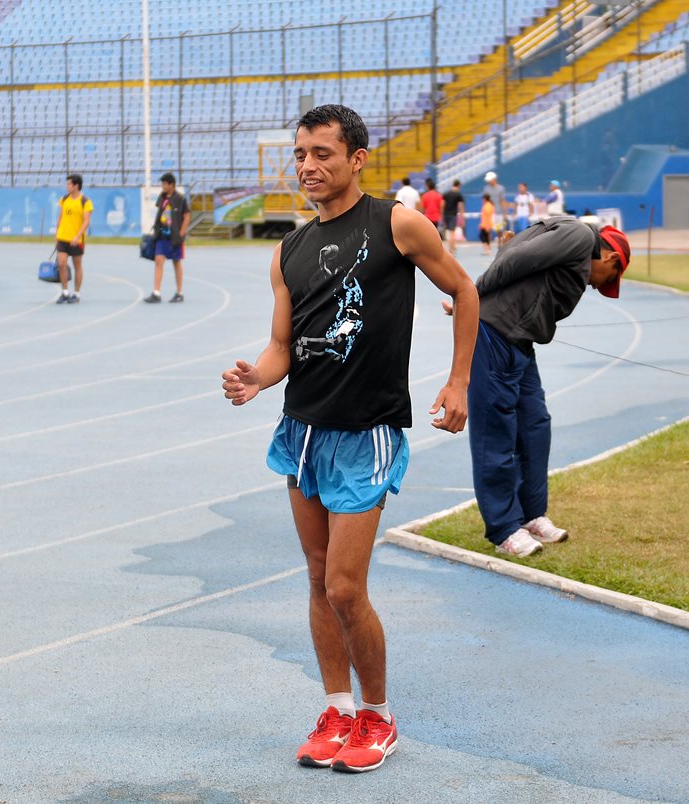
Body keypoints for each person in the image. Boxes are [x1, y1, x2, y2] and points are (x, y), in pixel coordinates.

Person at [220, 104, 478, 774]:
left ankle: (379, 717)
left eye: (322, 154)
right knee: (314, 576)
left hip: (367, 432)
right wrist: (256, 378)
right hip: (303, 431)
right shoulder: (289, 252)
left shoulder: (396, 223)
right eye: (301, 155)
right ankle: (336, 710)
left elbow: (464, 290)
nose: (307, 166)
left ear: (357, 158)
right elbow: (282, 347)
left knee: (342, 586)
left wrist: (458, 383)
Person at [442, 217, 630, 557]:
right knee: (496, 430)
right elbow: (516, 259)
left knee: (535, 425)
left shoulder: (573, 244)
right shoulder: (579, 236)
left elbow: (516, 246)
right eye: (605, 282)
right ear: (612, 260)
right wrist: (468, 298)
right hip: (494, 332)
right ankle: (503, 528)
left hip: (521, 342)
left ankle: (530, 515)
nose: (595, 287)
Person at [144, 172, 191, 303]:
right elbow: (160, 214)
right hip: (162, 236)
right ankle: (156, 292)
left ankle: (179, 293)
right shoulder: (162, 197)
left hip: (174, 237)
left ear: (172, 185)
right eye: (162, 183)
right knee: (159, 260)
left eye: (165, 184)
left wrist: (182, 232)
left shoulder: (180, 199)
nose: (162, 186)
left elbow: (187, 216)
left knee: (176, 263)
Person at [53, 174, 92, 304]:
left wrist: (78, 236)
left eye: (69, 184)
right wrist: (56, 234)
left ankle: (76, 293)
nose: (67, 186)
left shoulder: (85, 202)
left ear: (76, 186)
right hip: (63, 237)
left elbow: (86, 222)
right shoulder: (64, 199)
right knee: (61, 264)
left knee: (77, 266)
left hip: (76, 240)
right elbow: (60, 218)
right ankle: (65, 292)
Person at [441, 179, 465, 255]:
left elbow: (442, 205)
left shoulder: (446, 194)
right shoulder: (458, 195)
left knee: (448, 231)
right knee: (452, 233)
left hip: (446, 214)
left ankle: (453, 246)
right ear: (459, 185)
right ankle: (451, 249)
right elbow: (460, 207)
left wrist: (442, 214)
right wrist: (462, 217)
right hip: (453, 214)